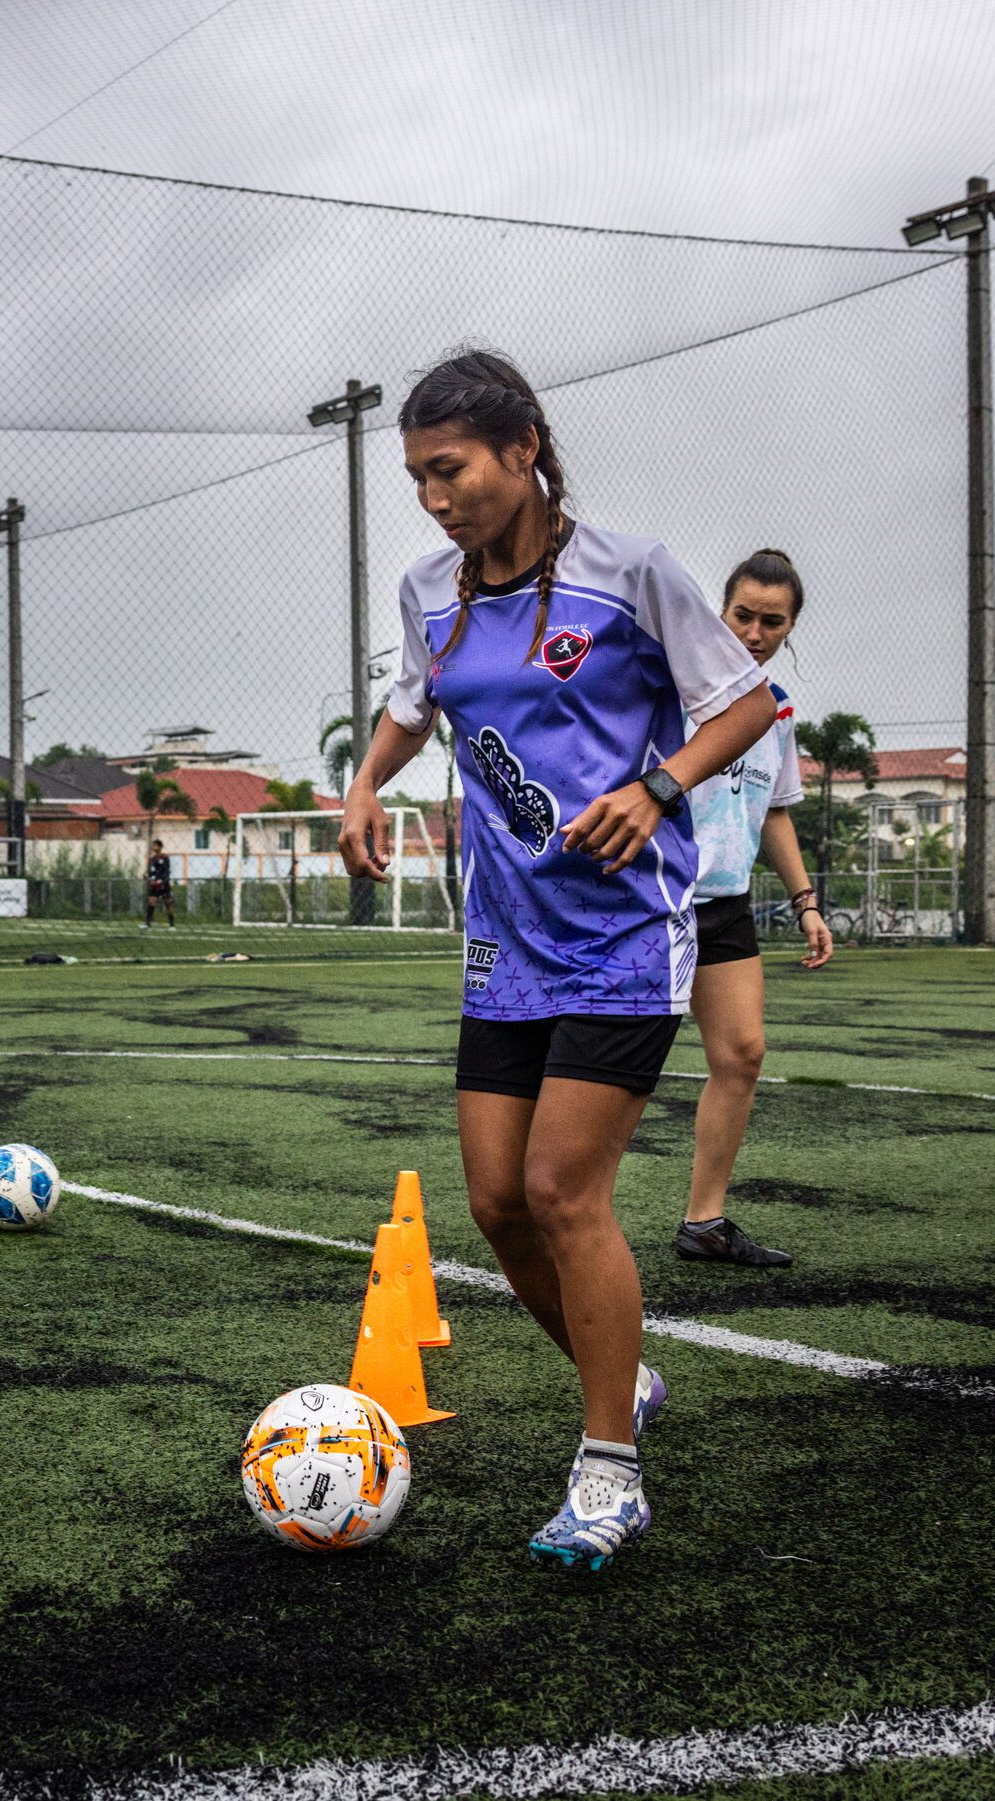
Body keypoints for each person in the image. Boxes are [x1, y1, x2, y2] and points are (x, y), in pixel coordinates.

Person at [338, 350, 774, 1569]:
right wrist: (368, 782)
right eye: (419, 475)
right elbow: (417, 702)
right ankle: (617, 1378)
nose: (435, 497)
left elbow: (744, 703)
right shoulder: (434, 589)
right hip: (507, 938)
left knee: (563, 1190)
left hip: (627, 934)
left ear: (523, 448)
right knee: (493, 1198)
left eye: (452, 468)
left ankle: (609, 1472)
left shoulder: (630, 572)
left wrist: (659, 784)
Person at [675, 548, 833, 1270]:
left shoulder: (777, 710)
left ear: (791, 626)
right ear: (720, 611)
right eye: (743, 615)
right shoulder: (676, 688)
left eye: (774, 621)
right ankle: (569, 1218)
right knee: (615, 1070)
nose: (755, 631)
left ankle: (704, 1221)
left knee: (742, 1053)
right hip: (651, 901)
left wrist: (806, 903)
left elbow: (774, 812)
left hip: (726, 906)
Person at [143, 839, 176, 929]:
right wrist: (147, 874)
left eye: (156, 845)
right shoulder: (152, 859)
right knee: (151, 902)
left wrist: (162, 880)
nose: (154, 847)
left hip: (164, 883)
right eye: (153, 845)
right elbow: (152, 872)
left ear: (160, 847)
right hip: (155, 884)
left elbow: (167, 870)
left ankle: (172, 924)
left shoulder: (165, 857)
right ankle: (148, 923)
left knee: (168, 903)